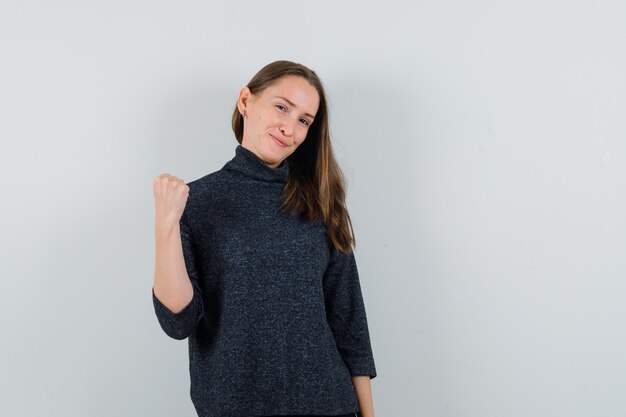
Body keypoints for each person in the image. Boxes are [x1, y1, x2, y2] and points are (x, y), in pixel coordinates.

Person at [152, 60, 377, 417]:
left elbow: (349, 322)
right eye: (282, 107)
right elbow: (178, 322)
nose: (289, 127)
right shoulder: (196, 202)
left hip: (330, 406)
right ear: (246, 101)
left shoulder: (318, 203)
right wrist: (166, 225)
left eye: (304, 120)